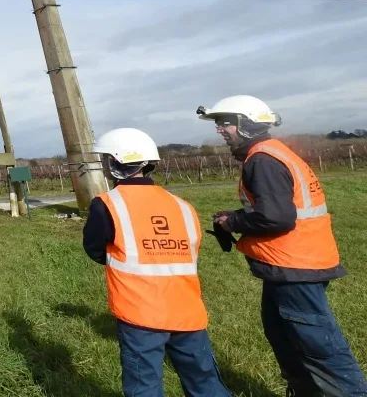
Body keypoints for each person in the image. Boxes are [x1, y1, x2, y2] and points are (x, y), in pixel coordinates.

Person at [199, 96, 367, 396]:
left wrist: (233, 222)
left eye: (224, 122)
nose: (219, 129)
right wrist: (235, 217)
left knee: (318, 347)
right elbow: (278, 208)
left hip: (294, 266)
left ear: (246, 123)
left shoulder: (262, 160)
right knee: (285, 337)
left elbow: (276, 217)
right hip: (293, 264)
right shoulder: (272, 154)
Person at [82, 128, 232, 397]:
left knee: (144, 386)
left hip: (139, 314)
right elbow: (190, 251)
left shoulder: (107, 204)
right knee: (204, 382)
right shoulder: (182, 205)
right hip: (187, 310)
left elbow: (94, 248)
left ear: (114, 163)